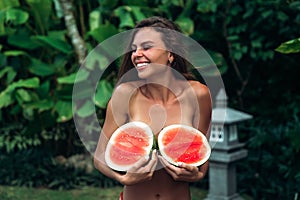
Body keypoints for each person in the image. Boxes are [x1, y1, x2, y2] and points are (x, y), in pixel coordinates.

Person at [93, 16, 212, 200]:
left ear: (170, 54)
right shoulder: (125, 95)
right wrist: (123, 178)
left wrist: (197, 175)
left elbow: (202, 157)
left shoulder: (198, 95)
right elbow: (99, 157)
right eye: (134, 49)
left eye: (146, 47)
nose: (137, 54)